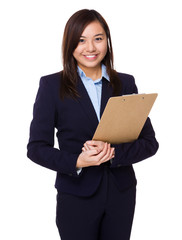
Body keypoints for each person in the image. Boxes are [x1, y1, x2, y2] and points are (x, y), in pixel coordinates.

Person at [27, 9, 159, 240]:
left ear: (107, 41)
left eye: (98, 39)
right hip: (76, 196)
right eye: (81, 40)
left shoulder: (125, 83)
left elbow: (149, 143)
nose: (90, 48)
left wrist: (113, 154)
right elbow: (36, 148)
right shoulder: (51, 86)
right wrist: (77, 160)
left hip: (121, 195)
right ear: (70, 43)